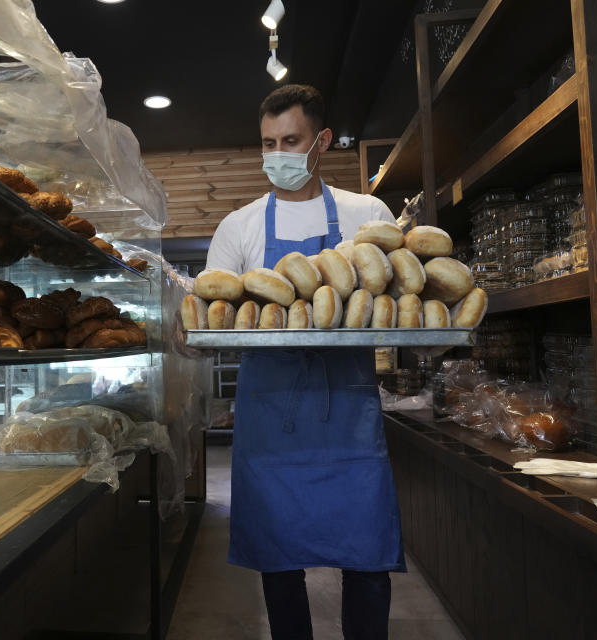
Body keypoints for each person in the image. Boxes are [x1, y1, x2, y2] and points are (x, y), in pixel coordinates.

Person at [205, 84, 406, 640]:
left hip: (349, 414)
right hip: (271, 420)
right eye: (268, 143)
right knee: (278, 558)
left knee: (366, 558)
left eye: (289, 141)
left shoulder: (367, 216)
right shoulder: (239, 227)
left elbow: (394, 304)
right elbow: (215, 316)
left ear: (320, 142)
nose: (277, 156)